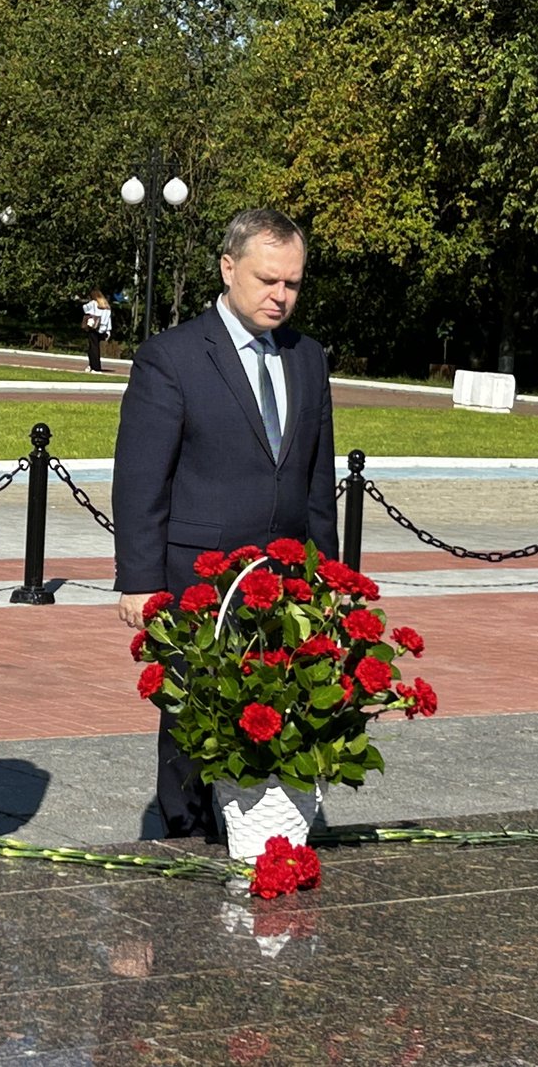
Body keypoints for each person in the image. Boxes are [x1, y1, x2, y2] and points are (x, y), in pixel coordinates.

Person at [112, 208, 339, 840]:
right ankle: (185, 838)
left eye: (292, 283)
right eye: (268, 280)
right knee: (191, 723)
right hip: (196, 580)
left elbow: (317, 483)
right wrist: (139, 582)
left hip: (285, 586)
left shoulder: (308, 358)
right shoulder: (172, 357)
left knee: (280, 716)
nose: (280, 296)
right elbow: (140, 480)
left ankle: (262, 835)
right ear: (228, 267)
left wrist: (329, 585)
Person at [81, 288, 112, 373]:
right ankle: (91, 365)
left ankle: (95, 367)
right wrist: (108, 331)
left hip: (94, 328)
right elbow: (109, 320)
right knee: (95, 347)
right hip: (103, 329)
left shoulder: (93, 304)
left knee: (93, 348)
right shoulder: (106, 306)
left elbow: (85, 308)